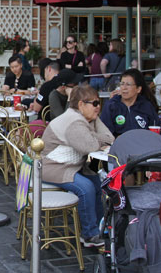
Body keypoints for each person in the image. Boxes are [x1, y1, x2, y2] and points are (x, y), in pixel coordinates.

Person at [41, 84, 115, 247]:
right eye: (95, 103)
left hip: (73, 165)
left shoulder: (85, 118)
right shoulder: (74, 121)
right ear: (81, 104)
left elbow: (110, 138)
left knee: (97, 181)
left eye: (99, 103)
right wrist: (96, 140)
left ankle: (101, 227)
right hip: (53, 167)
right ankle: (89, 235)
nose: (98, 107)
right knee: (86, 187)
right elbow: (89, 147)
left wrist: (94, 133)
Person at [100, 69, 159, 137]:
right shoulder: (111, 106)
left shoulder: (146, 106)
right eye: (122, 84)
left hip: (143, 144)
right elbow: (105, 134)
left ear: (138, 89)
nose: (124, 88)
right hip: (119, 145)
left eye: (128, 84)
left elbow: (155, 128)